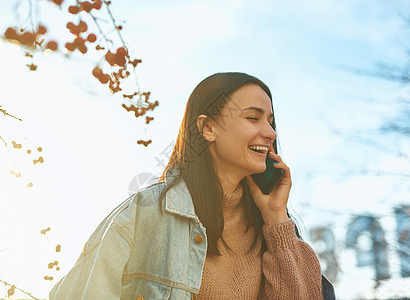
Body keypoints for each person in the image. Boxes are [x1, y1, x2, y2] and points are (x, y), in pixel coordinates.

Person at [49, 72, 335, 299]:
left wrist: (275, 218)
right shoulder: (143, 215)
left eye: (271, 121)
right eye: (253, 117)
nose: (270, 132)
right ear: (208, 128)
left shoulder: (276, 233)